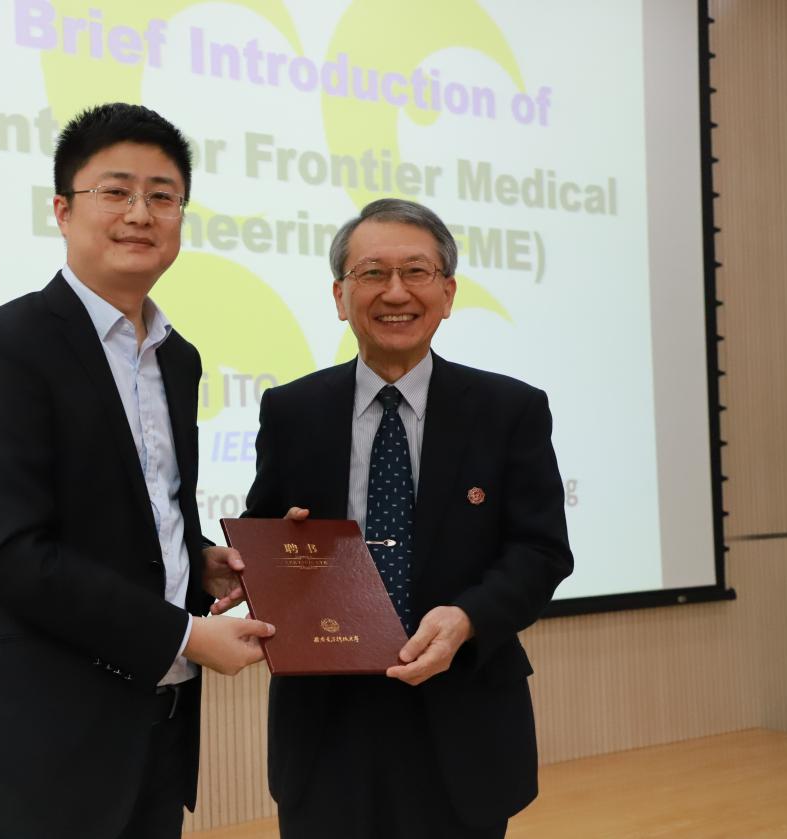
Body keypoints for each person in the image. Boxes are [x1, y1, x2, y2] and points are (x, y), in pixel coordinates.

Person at [0, 102, 274, 839]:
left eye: (162, 196)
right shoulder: (4, 346)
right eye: (115, 191)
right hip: (39, 749)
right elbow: (10, 554)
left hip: (155, 734)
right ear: (62, 210)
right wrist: (183, 635)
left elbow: (144, 513)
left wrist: (198, 563)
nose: (140, 214)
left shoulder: (177, 358)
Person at [238, 198, 573, 838]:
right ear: (340, 296)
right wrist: (277, 549)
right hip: (325, 726)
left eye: (416, 272)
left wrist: (467, 617)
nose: (396, 292)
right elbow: (266, 532)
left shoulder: (509, 410)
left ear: (447, 294)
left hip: (462, 712)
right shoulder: (292, 410)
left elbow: (541, 551)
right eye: (372, 273)